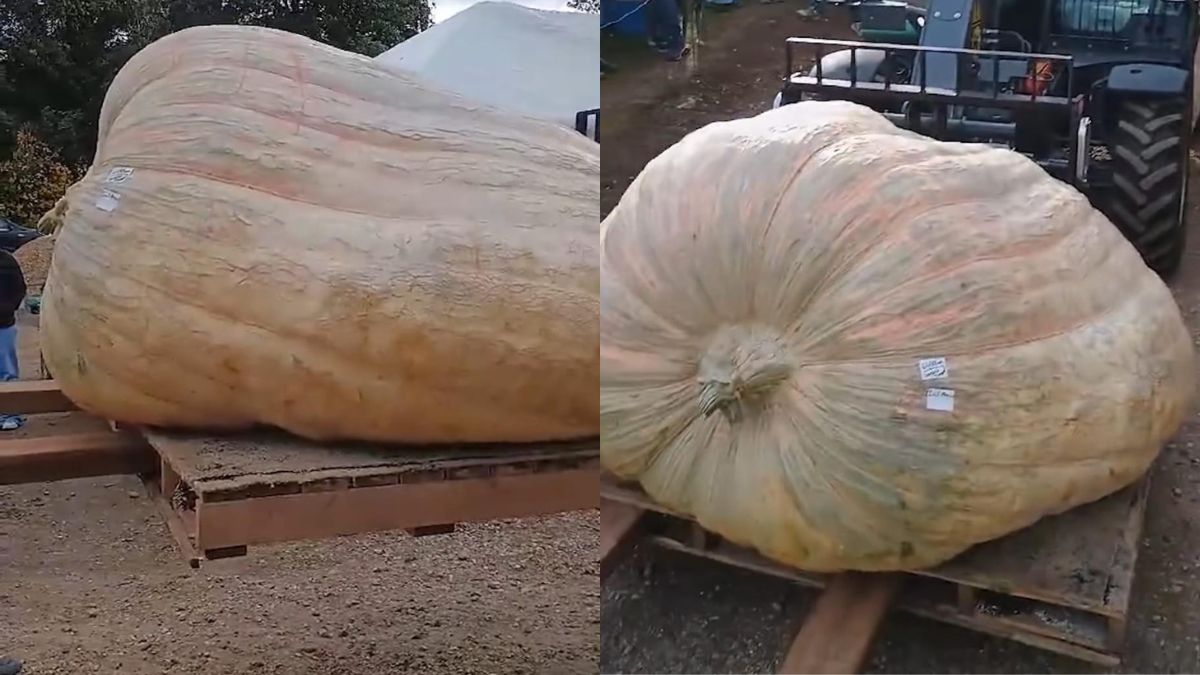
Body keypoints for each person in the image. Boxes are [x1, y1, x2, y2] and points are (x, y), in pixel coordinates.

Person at [0, 248, 27, 431]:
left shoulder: (6, 261)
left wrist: (6, 308)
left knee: (6, 371)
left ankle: (10, 415)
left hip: (3, 325)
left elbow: (19, 289)